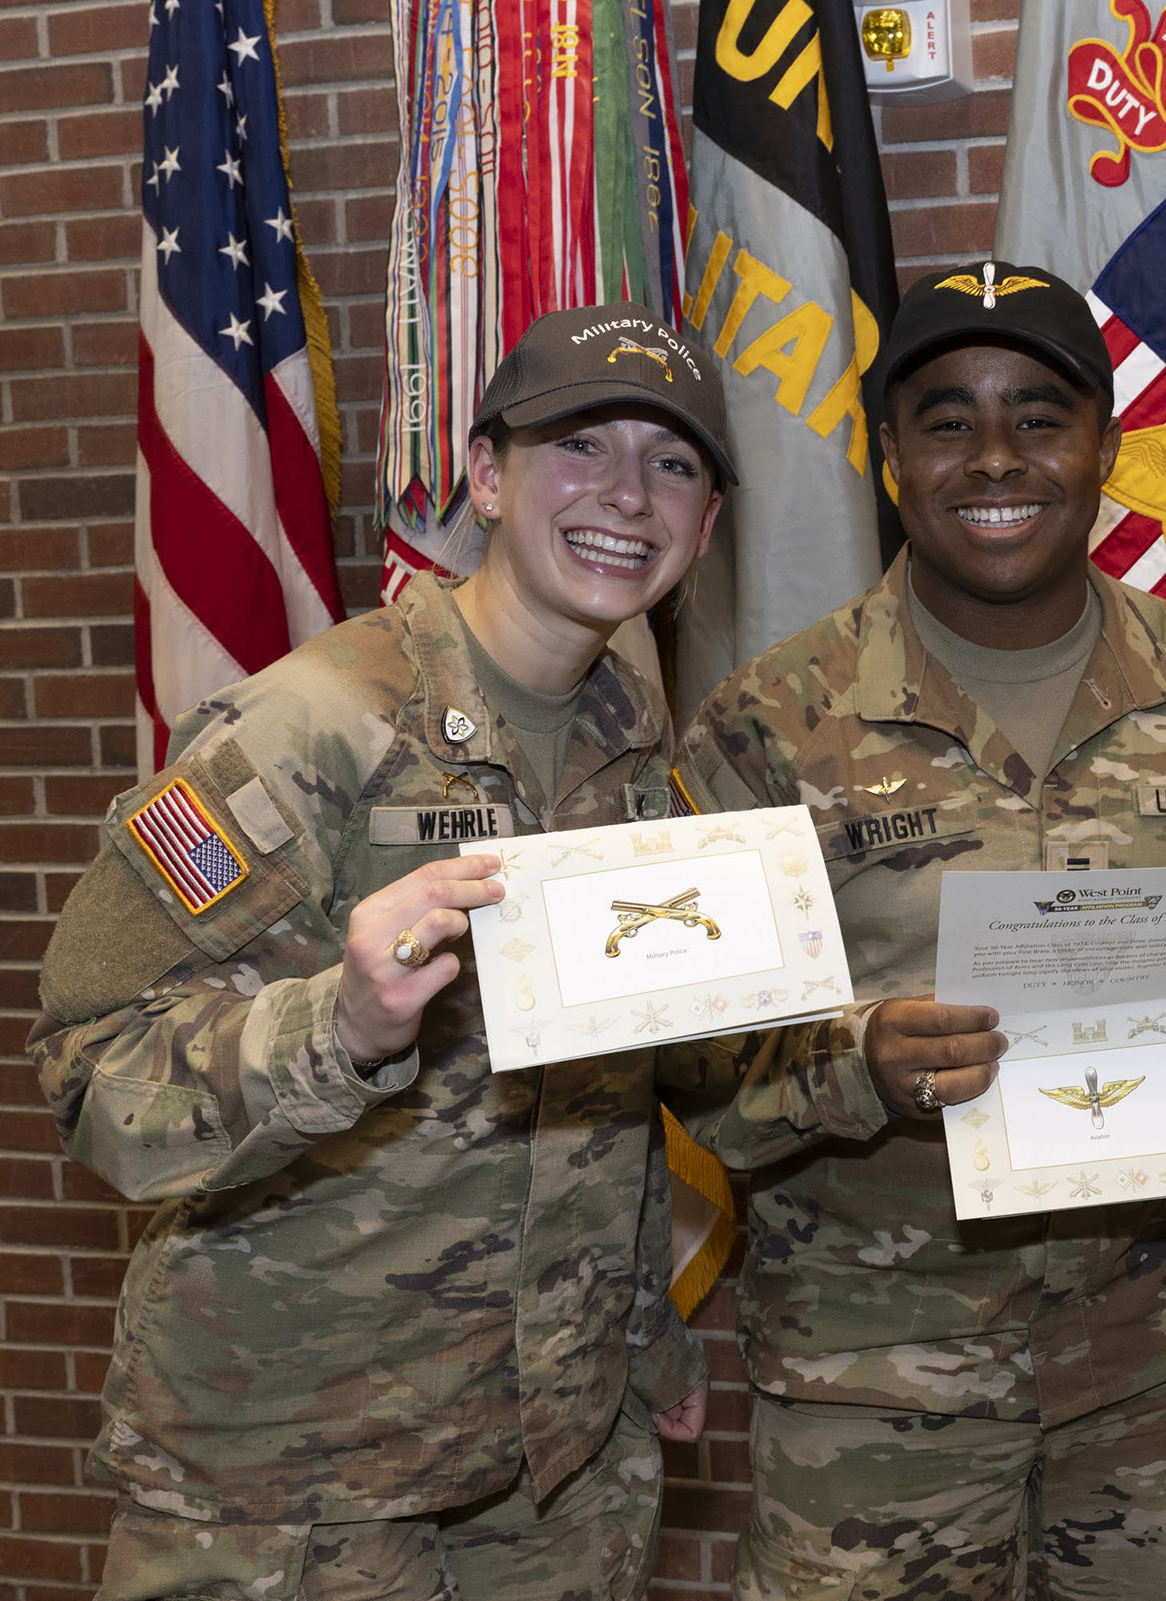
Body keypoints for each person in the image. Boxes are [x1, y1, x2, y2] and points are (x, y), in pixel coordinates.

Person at [30, 301, 724, 1600]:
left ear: (708, 522)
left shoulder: (628, 730)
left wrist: (642, 1335)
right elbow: (89, 1064)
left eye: (673, 462)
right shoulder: (312, 726)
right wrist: (338, 1029)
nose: (629, 495)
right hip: (301, 1470)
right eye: (582, 443)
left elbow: (605, 1080)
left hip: (551, 1452)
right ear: (486, 476)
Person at [663, 259, 1166, 1601]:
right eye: (947, 421)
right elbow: (685, 1052)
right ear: (891, 457)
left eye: (1038, 417)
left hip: (1147, 1370)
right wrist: (855, 1060)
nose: (996, 456)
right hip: (876, 1379)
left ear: (1103, 446)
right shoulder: (772, 721)